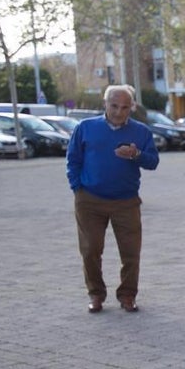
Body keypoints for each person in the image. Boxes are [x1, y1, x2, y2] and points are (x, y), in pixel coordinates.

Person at [66, 84, 160, 313]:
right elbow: (73, 159)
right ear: (105, 104)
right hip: (89, 200)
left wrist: (136, 154)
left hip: (126, 201)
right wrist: (77, 188)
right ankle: (96, 294)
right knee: (90, 249)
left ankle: (127, 295)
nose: (119, 112)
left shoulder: (141, 132)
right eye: (114, 106)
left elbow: (153, 162)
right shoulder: (85, 128)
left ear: (132, 107)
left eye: (125, 107)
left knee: (131, 252)